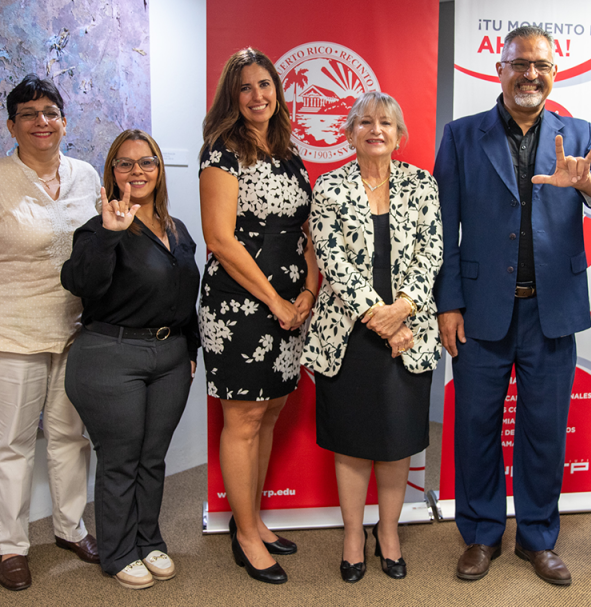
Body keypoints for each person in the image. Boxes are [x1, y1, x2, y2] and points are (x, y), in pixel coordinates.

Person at [433, 26, 591, 585]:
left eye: (541, 65)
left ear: (553, 72)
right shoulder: (462, 135)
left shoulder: (579, 132)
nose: (531, 75)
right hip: (480, 310)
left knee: (544, 430)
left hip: (552, 311)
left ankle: (539, 538)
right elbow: (445, 228)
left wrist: (586, 180)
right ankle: (480, 534)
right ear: (500, 69)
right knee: (476, 427)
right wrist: (448, 303)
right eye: (520, 64)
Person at [0, 74, 99, 591]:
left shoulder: (85, 175)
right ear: (12, 125)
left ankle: (69, 527)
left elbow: (100, 251)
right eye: (29, 114)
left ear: (63, 120)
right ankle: (11, 547)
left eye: (50, 112)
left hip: (75, 329)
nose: (42, 122)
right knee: (13, 443)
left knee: (70, 437)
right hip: (8, 330)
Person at [303, 92, 443, 583]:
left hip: (411, 332)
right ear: (349, 134)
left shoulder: (423, 184)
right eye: (365, 122)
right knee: (352, 441)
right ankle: (351, 535)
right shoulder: (329, 185)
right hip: (348, 334)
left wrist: (403, 309)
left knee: (397, 440)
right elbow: (329, 256)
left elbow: (432, 251)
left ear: (399, 134)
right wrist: (379, 316)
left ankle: (388, 531)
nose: (375, 129)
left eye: (385, 122)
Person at [197, 47, 318, 585]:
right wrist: (274, 302)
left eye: (264, 85)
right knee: (242, 418)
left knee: (269, 411)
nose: (257, 96)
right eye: (245, 88)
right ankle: (244, 532)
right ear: (232, 96)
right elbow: (220, 239)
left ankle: (255, 518)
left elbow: (308, 234)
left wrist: (306, 297)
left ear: (277, 90)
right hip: (240, 305)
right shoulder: (221, 152)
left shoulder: (291, 153)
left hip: (291, 306)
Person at [60, 130, 200, 589]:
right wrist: (108, 234)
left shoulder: (176, 228)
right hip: (110, 355)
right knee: (121, 459)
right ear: (112, 172)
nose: (136, 172)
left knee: (152, 457)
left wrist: (191, 348)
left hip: (170, 357)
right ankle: (118, 551)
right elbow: (79, 281)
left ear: (159, 170)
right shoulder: (100, 226)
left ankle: (148, 540)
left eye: (147, 163)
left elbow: (186, 294)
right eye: (125, 164)